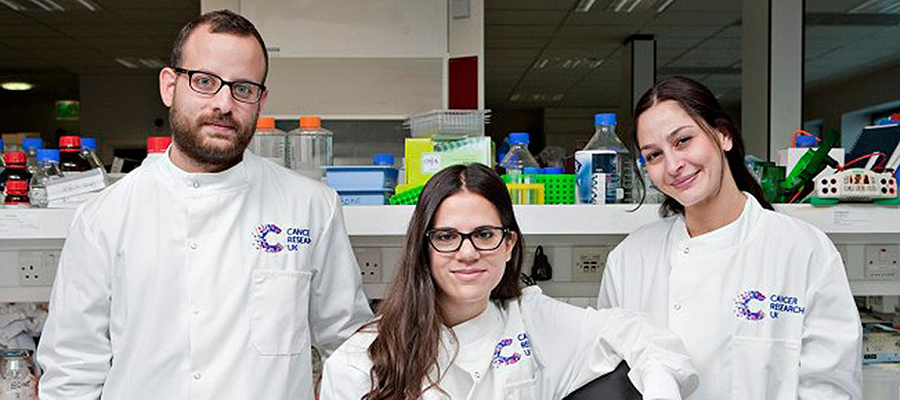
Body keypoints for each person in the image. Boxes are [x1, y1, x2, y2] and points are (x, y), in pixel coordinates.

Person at [37, 10, 372, 399]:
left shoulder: (312, 207)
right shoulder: (104, 217)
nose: (224, 103)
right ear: (169, 86)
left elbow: (350, 350)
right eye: (205, 81)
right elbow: (71, 372)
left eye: (243, 88)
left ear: (260, 101)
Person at [321, 163, 699, 400]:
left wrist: (662, 389)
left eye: (484, 234)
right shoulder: (362, 359)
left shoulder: (532, 319)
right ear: (424, 248)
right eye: (447, 236)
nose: (467, 252)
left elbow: (641, 334)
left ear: (509, 245)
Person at [597, 76, 862, 399]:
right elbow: (610, 376)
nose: (673, 165)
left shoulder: (803, 251)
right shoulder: (629, 260)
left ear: (723, 136)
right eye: (653, 155)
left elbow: (830, 389)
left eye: (682, 140)